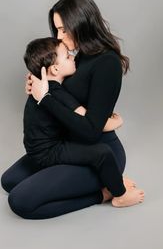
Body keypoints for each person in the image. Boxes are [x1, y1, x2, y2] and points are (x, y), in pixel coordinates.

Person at [1, 0, 145, 219]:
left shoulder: (107, 64)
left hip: (98, 154)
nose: (59, 37)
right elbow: (64, 92)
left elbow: (90, 130)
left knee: (20, 202)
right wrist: (38, 83)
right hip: (65, 147)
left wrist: (45, 98)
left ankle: (104, 193)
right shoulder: (80, 56)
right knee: (9, 181)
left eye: (63, 29)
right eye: (57, 29)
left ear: (81, 23)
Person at [22, 36, 144, 208]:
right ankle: (117, 194)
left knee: (13, 185)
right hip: (50, 152)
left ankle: (113, 186)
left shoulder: (41, 85)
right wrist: (118, 121)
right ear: (55, 69)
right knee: (103, 153)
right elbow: (91, 122)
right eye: (67, 57)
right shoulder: (56, 93)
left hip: (37, 150)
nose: (73, 56)